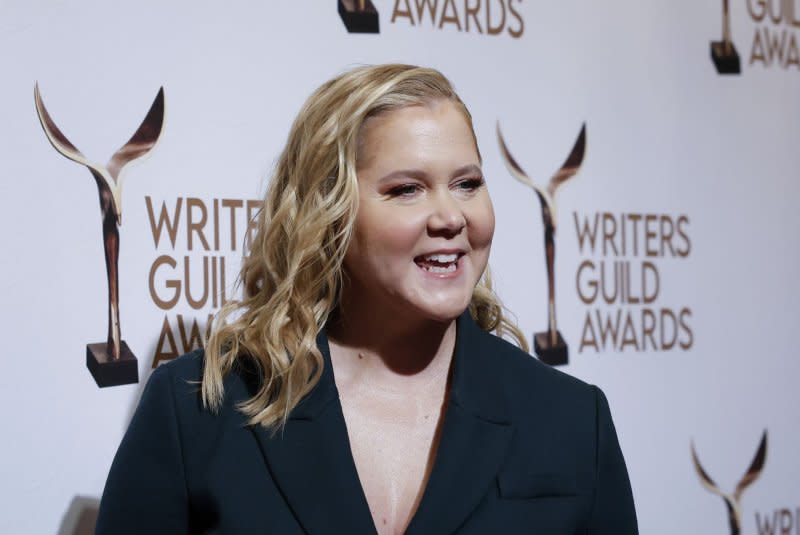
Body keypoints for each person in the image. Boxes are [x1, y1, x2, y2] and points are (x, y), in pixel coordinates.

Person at [95, 64, 638, 534]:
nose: (451, 216)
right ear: (328, 215)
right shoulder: (198, 410)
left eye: (468, 183)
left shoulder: (571, 420)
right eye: (407, 189)